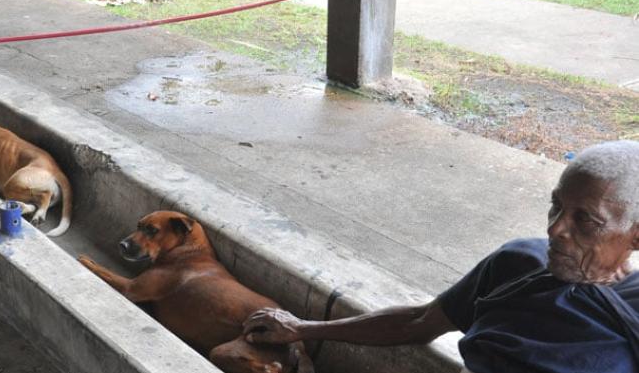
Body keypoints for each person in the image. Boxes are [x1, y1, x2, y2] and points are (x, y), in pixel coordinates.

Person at [243, 140, 639, 373]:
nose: (554, 229)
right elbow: (419, 321)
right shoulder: (517, 264)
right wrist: (304, 329)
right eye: (556, 207)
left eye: (586, 221)